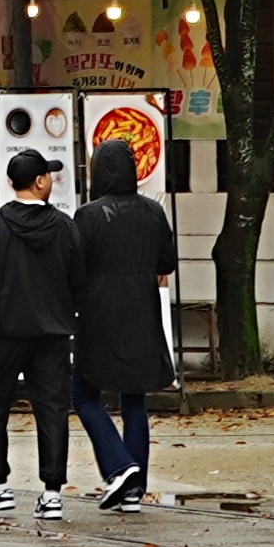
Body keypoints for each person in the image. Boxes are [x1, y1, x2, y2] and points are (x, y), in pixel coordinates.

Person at [0, 147, 85, 521]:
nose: (51, 180)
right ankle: (51, 495)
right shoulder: (64, 226)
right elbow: (78, 281)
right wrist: (67, 313)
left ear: (10, 182)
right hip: (52, 335)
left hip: (4, 331)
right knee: (52, 409)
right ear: (39, 181)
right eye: (48, 175)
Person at [71, 136, 179, 508]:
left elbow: (76, 268)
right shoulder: (153, 212)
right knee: (135, 400)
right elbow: (166, 262)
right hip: (142, 312)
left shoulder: (88, 215)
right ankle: (134, 489)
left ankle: (120, 467)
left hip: (99, 312)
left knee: (84, 395)